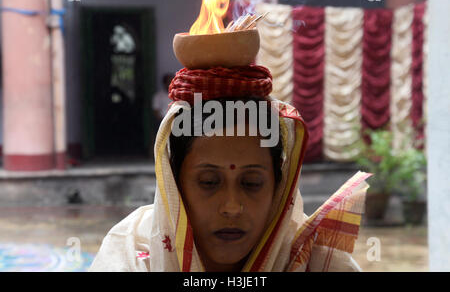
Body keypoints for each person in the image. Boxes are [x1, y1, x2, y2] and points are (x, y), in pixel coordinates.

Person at [89, 65, 370, 272]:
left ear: (279, 187)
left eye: (251, 183)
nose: (232, 207)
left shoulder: (314, 262)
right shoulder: (130, 255)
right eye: (209, 182)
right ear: (174, 185)